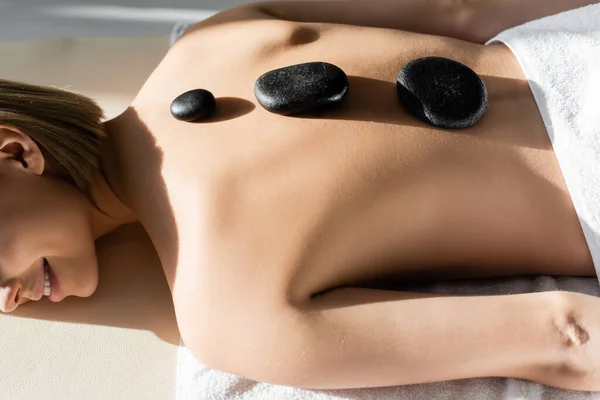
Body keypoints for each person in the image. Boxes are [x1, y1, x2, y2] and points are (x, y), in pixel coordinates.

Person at [1, 0, 599, 391]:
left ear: (18, 152)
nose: (6, 304)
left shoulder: (231, 314)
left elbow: (565, 335)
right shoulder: (215, 39)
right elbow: (467, 9)